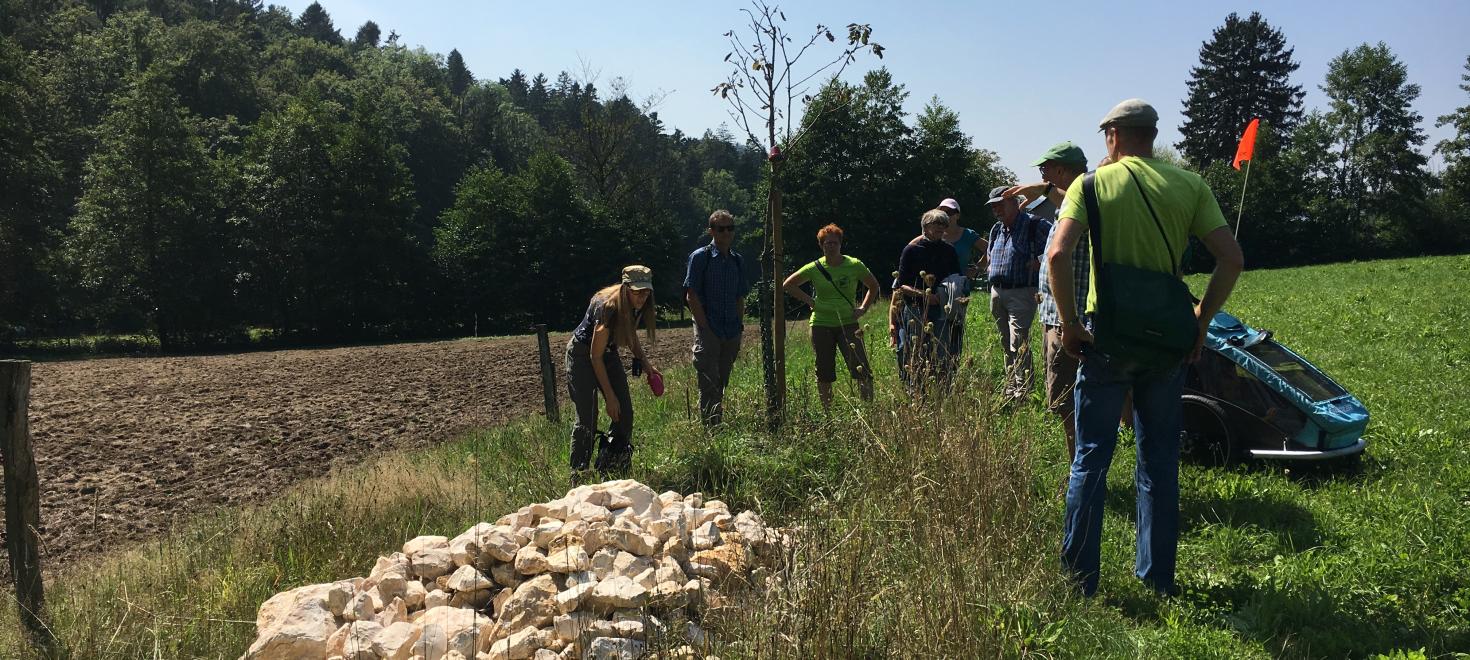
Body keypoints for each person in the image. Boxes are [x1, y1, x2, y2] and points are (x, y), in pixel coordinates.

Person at [1048, 98, 1244, 597]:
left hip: (1107, 338)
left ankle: (1079, 582)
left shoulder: (1089, 185)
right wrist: (1201, 321)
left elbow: (1057, 251)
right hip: (1166, 344)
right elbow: (1232, 259)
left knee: (1091, 456)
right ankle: (1157, 579)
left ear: (1112, 134)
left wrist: (1069, 325)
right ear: (1151, 135)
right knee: (1159, 459)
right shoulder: (1190, 184)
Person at [1006, 142, 1091, 459]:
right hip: (1056, 315)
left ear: (1063, 170)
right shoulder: (1071, 205)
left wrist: (1041, 189)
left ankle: (1079, 468)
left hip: (1068, 318)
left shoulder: (1083, 200)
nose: (1042, 172)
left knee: (1066, 397)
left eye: (1047, 168)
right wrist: (1044, 190)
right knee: (1064, 397)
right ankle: (1080, 463)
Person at [566, 265, 662, 477]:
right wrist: (609, 397)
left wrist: (647, 366)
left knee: (624, 412)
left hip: (607, 354)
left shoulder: (639, 305)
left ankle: (611, 467)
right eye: (637, 291)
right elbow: (595, 356)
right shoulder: (608, 307)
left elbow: (630, 336)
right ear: (625, 287)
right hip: (583, 355)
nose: (641, 296)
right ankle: (579, 473)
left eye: (646, 291)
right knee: (587, 417)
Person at [783, 223, 880, 408]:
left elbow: (873, 286)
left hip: (848, 323)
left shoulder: (854, 264)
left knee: (861, 368)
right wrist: (810, 301)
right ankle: (828, 411)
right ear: (821, 245)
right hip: (821, 324)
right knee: (824, 371)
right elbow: (788, 285)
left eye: (834, 243)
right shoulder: (814, 267)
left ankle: (869, 409)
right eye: (827, 243)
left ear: (840, 244)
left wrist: (863, 308)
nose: (831, 246)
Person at [985, 185, 1052, 402]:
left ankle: (1023, 390)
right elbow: (989, 255)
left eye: (1000, 205)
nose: (996, 210)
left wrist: (1038, 262)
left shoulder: (1035, 224)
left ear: (1015, 202)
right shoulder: (997, 229)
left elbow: (1057, 247)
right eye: (993, 206)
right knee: (1006, 342)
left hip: (1022, 291)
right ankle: (1011, 386)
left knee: (1018, 341)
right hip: (997, 291)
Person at [684, 210, 749, 426]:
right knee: (708, 380)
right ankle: (711, 428)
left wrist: (739, 326)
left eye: (731, 228)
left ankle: (716, 421)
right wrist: (704, 328)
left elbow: (740, 297)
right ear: (711, 231)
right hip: (709, 328)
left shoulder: (737, 260)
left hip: (731, 329)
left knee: (722, 379)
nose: (727, 233)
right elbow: (691, 295)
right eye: (721, 228)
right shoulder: (700, 257)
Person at [892, 209, 962, 387]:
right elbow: (902, 284)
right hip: (915, 308)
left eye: (944, 224)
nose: (941, 228)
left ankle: (943, 390)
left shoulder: (949, 250)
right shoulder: (911, 250)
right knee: (915, 350)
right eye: (937, 223)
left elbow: (956, 277)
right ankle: (915, 390)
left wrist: (951, 296)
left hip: (941, 308)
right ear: (926, 226)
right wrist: (924, 296)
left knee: (941, 350)